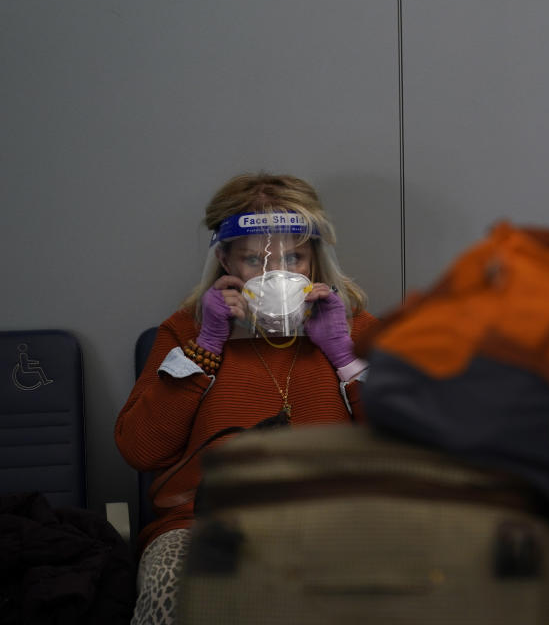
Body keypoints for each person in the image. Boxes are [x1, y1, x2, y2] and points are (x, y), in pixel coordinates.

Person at [114, 173, 377, 625]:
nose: (277, 274)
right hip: (203, 527)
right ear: (224, 261)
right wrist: (207, 346)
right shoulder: (188, 332)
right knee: (178, 593)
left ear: (314, 259)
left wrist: (346, 359)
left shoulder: (353, 329)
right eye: (255, 260)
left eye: (293, 257)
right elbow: (140, 450)